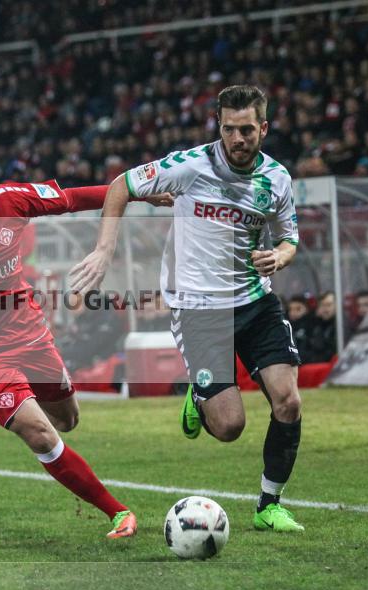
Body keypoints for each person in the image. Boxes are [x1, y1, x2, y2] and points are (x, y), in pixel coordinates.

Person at [0, 134, 171, 539]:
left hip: (30, 336)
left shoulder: (13, 200)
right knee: (40, 432)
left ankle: (61, 444)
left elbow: (73, 198)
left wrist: (138, 195)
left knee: (67, 420)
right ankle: (118, 512)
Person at [70, 85, 306, 532]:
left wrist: (281, 255)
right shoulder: (190, 165)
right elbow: (121, 185)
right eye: (229, 129)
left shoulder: (277, 178)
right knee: (230, 426)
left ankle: (269, 504)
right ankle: (200, 399)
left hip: (256, 301)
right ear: (219, 126)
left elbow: (289, 235)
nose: (238, 138)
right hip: (200, 310)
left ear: (264, 128)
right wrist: (104, 250)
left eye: (247, 130)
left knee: (289, 401)